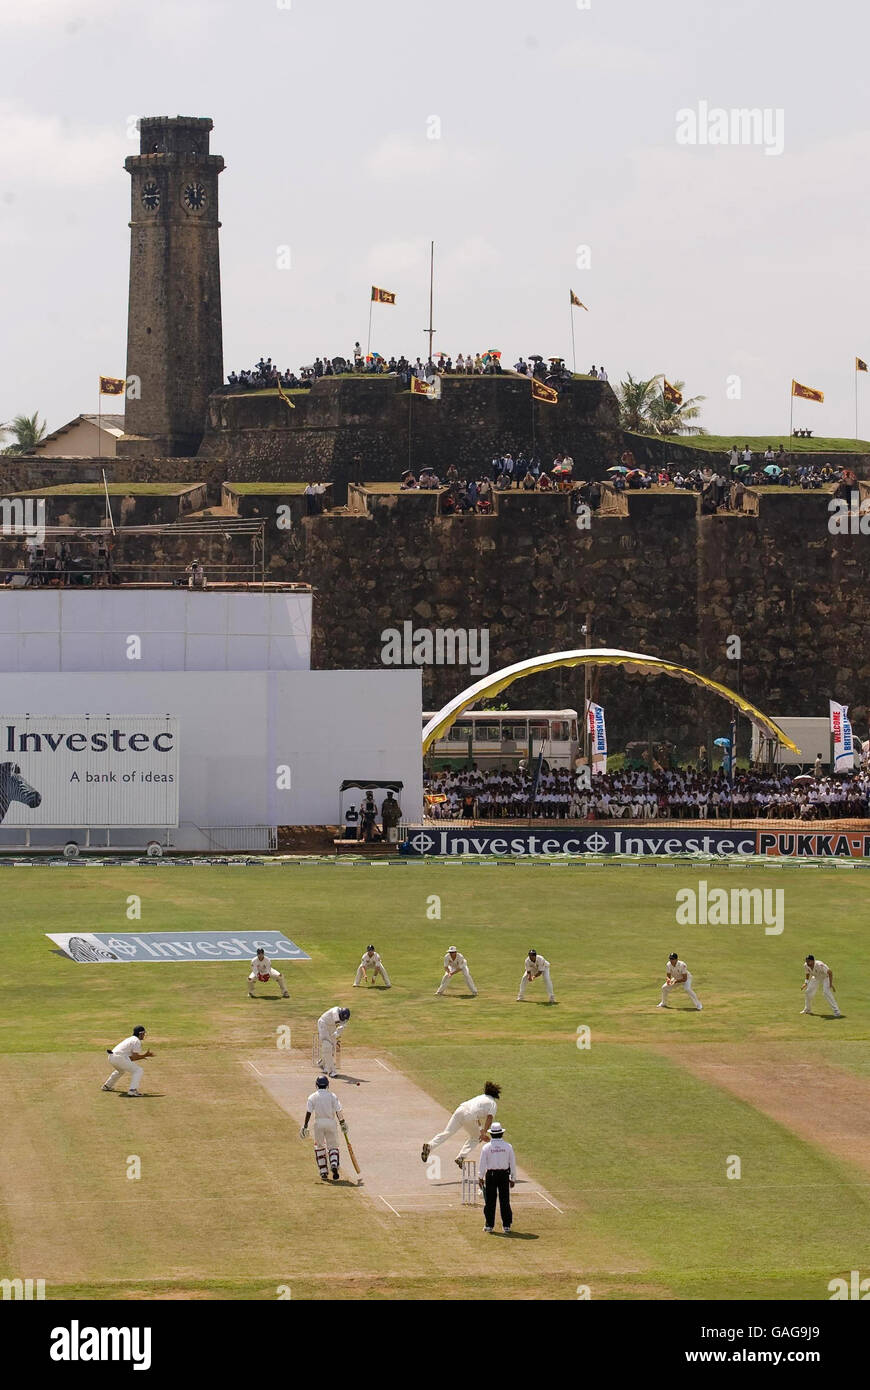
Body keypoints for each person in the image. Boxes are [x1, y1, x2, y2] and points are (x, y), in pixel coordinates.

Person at [421, 1080, 501, 1168]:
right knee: (476, 1138)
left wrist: (481, 1130)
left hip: (460, 1109)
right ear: (496, 1095)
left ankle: (430, 1146)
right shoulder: (493, 1103)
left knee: (447, 1132)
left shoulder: (480, 1097)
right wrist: (484, 1133)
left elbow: (475, 1114)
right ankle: (461, 1157)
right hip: (470, 1116)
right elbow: (489, 1118)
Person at [300, 1074, 346, 1181]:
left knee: (319, 1147)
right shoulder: (332, 1096)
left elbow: (309, 1112)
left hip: (319, 1123)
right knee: (333, 1146)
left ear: (316, 1085)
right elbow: (338, 1111)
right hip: (331, 1122)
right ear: (327, 1085)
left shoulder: (312, 1097)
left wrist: (305, 1125)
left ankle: (323, 1172)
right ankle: (334, 1163)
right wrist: (342, 1123)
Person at [478, 1121, 516, 1234]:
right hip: (504, 1175)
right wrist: (513, 1178)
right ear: (501, 1134)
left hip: (491, 1175)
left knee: (490, 1201)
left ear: (492, 1134)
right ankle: (507, 1226)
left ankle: (489, 1225)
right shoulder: (508, 1146)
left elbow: (482, 1163)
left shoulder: (486, 1147)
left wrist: (480, 1177)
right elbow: (512, 1163)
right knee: (505, 1200)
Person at [102, 1025, 153, 1097]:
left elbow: (131, 1059)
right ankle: (132, 1090)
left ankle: (107, 1086)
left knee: (121, 1070)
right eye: (144, 1033)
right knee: (138, 1070)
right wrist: (145, 1055)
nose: (144, 1035)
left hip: (111, 1057)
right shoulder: (136, 1041)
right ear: (140, 1033)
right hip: (119, 1058)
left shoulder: (130, 1039)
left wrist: (143, 1056)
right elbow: (134, 1057)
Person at [316, 1005, 350, 1076]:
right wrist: (339, 1028)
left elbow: (341, 1027)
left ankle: (322, 1063)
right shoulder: (335, 1011)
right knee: (327, 1046)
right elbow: (338, 1023)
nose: (342, 1020)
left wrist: (338, 1033)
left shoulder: (344, 1018)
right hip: (323, 1024)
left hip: (332, 1026)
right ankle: (331, 1071)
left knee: (332, 1047)